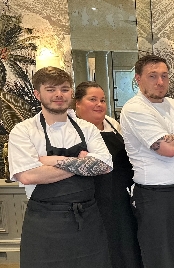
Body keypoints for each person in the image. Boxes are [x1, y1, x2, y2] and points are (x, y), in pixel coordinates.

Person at [7, 67, 113, 268]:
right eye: (50, 89)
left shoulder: (87, 128)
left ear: (71, 93)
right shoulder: (23, 131)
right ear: (37, 93)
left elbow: (105, 165)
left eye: (64, 89)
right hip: (45, 222)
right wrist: (81, 162)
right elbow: (28, 176)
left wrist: (49, 161)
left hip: (87, 220)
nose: (58, 94)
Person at [120, 54, 174, 268]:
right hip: (156, 197)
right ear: (138, 79)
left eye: (164, 76)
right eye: (152, 76)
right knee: (162, 260)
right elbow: (167, 149)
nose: (160, 82)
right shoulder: (135, 108)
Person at [73, 81, 143, 268]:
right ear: (77, 103)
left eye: (102, 100)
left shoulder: (113, 124)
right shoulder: (71, 130)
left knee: (125, 243)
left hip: (120, 196)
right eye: (92, 99)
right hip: (92, 199)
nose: (99, 104)